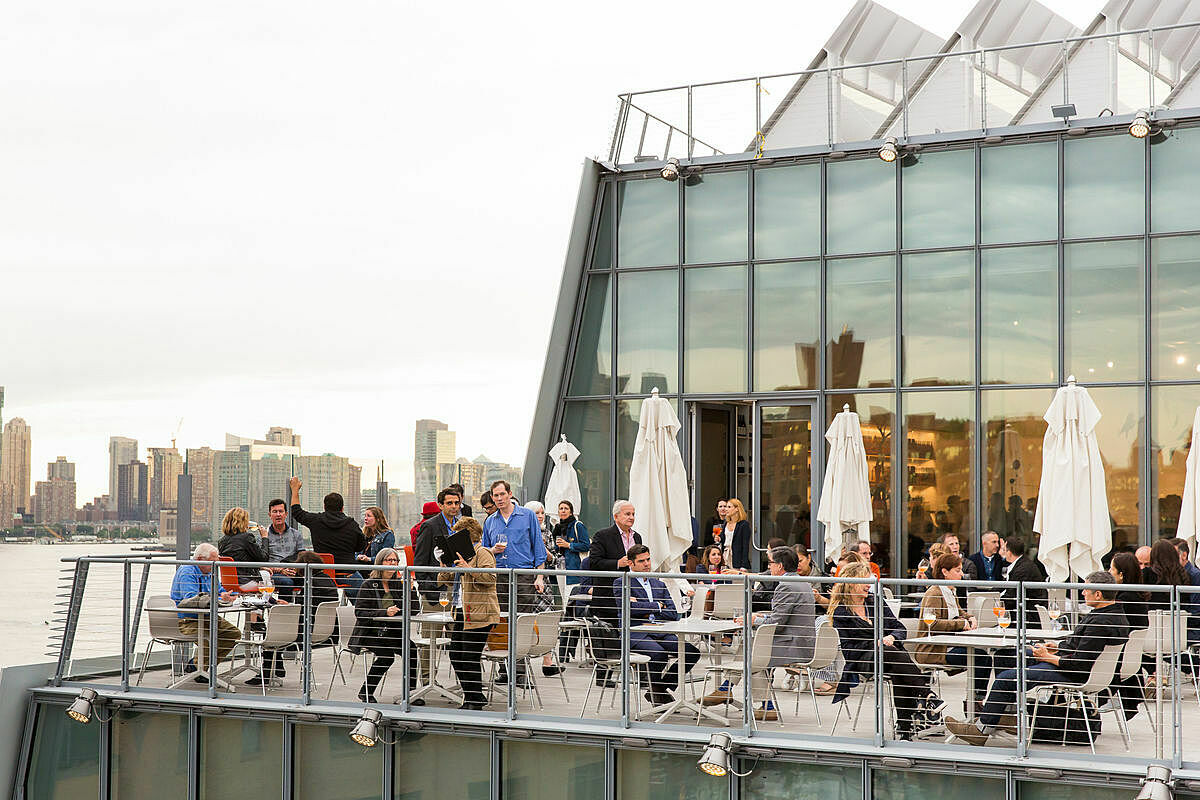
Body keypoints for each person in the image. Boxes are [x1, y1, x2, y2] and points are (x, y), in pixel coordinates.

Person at [946, 571, 1129, 746]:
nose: (1082, 592)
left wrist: (1048, 657)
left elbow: (1079, 664)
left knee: (1004, 679)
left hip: (1072, 673)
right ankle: (1005, 716)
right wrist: (1056, 647)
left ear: (1098, 594)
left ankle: (980, 731)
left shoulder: (1100, 622)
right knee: (1006, 655)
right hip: (1076, 666)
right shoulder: (1113, 615)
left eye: (1086, 589)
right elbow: (1084, 650)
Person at [829, 561, 947, 740]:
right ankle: (926, 695)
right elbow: (849, 650)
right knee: (891, 654)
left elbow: (899, 627)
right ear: (851, 583)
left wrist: (892, 637)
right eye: (864, 581)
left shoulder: (874, 601)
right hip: (863, 660)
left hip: (888, 656)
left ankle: (906, 731)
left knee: (897, 668)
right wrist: (875, 643)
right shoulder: (841, 613)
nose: (869, 584)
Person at [705, 546, 816, 720]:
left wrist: (754, 620)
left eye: (770, 563)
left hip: (794, 645)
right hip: (799, 641)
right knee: (751, 644)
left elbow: (777, 624)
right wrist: (759, 615)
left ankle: (766, 706)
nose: (769, 567)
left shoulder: (786, 586)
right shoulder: (801, 582)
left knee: (756, 655)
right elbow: (784, 616)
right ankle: (726, 689)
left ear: (779, 566)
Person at [480, 480, 547, 681]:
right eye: (495, 496)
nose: (499, 499)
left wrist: (540, 577)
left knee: (521, 623)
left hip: (523, 575)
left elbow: (538, 548)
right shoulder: (490, 521)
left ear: (510, 494)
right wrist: (493, 550)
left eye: (502, 494)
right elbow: (484, 552)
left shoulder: (527, 516)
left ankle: (519, 671)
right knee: (500, 623)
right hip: (498, 577)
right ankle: (504, 671)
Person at [622, 544, 701, 707]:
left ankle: (658, 688)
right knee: (658, 653)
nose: (647, 564)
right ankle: (657, 692)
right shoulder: (622, 582)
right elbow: (628, 610)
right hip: (636, 632)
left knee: (692, 652)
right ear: (631, 564)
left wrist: (645, 609)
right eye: (642, 561)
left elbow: (672, 613)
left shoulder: (658, 583)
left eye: (648, 560)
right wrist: (658, 606)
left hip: (660, 631)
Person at [913, 553, 994, 703]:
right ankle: (974, 703)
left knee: (983, 657)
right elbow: (933, 623)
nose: (962, 574)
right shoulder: (935, 593)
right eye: (957, 570)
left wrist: (970, 617)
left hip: (947, 645)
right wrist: (961, 624)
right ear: (944, 572)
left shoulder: (950, 591)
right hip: (932, 649)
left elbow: (958, 612)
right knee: (981, 658)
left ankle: (975, 701)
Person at [438, 517, 498, 711]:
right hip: (461, 611)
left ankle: (475, 699)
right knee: (456, 654)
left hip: (480, 613)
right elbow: (445, 581)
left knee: (470, 656)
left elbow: (490, 578)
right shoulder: (460, 555)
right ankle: (473, 695)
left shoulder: (483, 553)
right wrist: (444, 564)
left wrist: (469, 569)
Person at [347, 548, 421, 704]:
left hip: (391, 632)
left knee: (411, 650)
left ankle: (410, 694)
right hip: (370, 633)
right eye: (389, 560)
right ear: (380, 562)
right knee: (387, 656)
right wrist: (384, 612)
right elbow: (360, 613)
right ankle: (366, 692)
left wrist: (411, 591)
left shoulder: (397, 585)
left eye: (395, 561)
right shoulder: (369, 585)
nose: (392, 564)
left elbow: (414, 611)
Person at [413, 488, 464, 684]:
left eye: (456, 503)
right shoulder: (430, 526)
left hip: (458, 592)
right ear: (441, 505)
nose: (453, 506)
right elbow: (420, 562)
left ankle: (463, 682)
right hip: (435, 592)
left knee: (458, 640)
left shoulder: (461, 525)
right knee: (429, 641)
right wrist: (428, 589)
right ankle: (427, 682)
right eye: (449, 503)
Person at [170, 543, 241, 676]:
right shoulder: (187, 571)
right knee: (209, 635)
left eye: (216, 562)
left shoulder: (210, 571)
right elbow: (191, 600)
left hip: (207, 617)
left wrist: (224, 595)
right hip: (186, 619)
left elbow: (219, 590)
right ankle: (200, 671)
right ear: (200, 559)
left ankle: (197, 667)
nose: (215, 566)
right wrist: (215, 598)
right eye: (212, 562)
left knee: (233, 634)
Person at [289, 476, 366, 595]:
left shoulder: (316, 521)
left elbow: (297, 512)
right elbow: (361, 546)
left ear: (324, 507)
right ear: (342, 508)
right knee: (363, 602)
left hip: (323, 576)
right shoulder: (352, 525)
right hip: (348, 574)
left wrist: (295, 490)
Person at [588, 500, 642, 626]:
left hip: (633, 593)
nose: (631, 517)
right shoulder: (602, 536)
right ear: (616, 516)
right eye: (627, 514)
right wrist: (617, 563)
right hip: (609, 596)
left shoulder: (637, 537)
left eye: (633, 514)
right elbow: (594, 563)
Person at [260, 498, 306, 600]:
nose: (278, 514)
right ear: (270, 515)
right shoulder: (264, 536)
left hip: (294, 571)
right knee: (287, 582)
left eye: (281, 511)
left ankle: (302, 612)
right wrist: (281, 570)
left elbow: (303, 556)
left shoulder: (296, 534)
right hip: (273, 573)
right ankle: (284, 614)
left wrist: (294, 569)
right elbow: (261, 563)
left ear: (286, 514)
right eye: (274, 512)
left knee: (311, 581)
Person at [999, 536, 1046, 621]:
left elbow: (1012, 598)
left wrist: (996, 602)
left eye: (1004, 550)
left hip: (1027, 617)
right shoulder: (1022, 563)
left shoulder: (1022, 569)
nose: (1002, 553)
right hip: (1023, 611)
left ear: (1009, 553)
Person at [216, 507, 266, 584]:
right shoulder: (246, 537)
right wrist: (264, 537)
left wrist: (259, 567)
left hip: (228, 582)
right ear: (243, 522)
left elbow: (239, 559)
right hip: (247, 581)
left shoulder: (222, 541)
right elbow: (263, 558)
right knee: (270, 584)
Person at [1109, 551, 1149, 631]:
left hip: (1125, 641)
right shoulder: (1137, 594)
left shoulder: (1125, 598)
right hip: (1135, 641)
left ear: (1120, 575)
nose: (1109, 572)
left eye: (1112, 569)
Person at [552, 500, 590, 583]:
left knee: (572, 593)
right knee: (563, 594)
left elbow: (586, 545)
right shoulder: (557, 528)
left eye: (566, 508)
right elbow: (555, 548)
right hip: (560, 567)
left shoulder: (578, 525)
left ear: (571, 512)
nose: (563, 510)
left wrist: (569, 545)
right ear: (558, 512)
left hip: (575, 568)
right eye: (561, 508)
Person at [723, 498, 752, 571]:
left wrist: (744, 565)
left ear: (737, 509)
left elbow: (745, 546)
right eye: (726, 507)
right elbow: (723, 540)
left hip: (737, 559)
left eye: (729, 507)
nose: (726, 509)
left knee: (737, 581)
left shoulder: (744, 525)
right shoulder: (726, 523)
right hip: (725, 556)